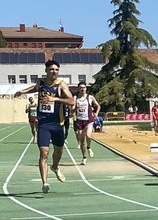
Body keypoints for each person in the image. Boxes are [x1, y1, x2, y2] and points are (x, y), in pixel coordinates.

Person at [14, 59, 76, 194]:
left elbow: (71, 101)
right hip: (43, 124)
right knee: (44, 153)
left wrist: (56, 99)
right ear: (46, 70)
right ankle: (45, 183)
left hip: (57, 124)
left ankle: (55, 167)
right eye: (52, 69)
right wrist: (22, 92)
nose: (54, 72)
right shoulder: (41, 83)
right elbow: (34, 88)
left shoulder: (61, 84)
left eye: (56, 70)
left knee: (58, 151)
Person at [72, 83, 100, 163]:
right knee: (82, 141)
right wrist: (74, 108)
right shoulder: (75, 98)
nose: (82, 89)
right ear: (78, 89)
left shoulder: (90, 97)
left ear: (86, 88)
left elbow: (98, 106)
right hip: (79, 121)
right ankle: (84, 157)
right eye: (81, 88)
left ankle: (89, 147)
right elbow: (72, 109)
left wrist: (96, 113)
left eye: (84, 87)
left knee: (88, 135)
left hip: (88, 120)